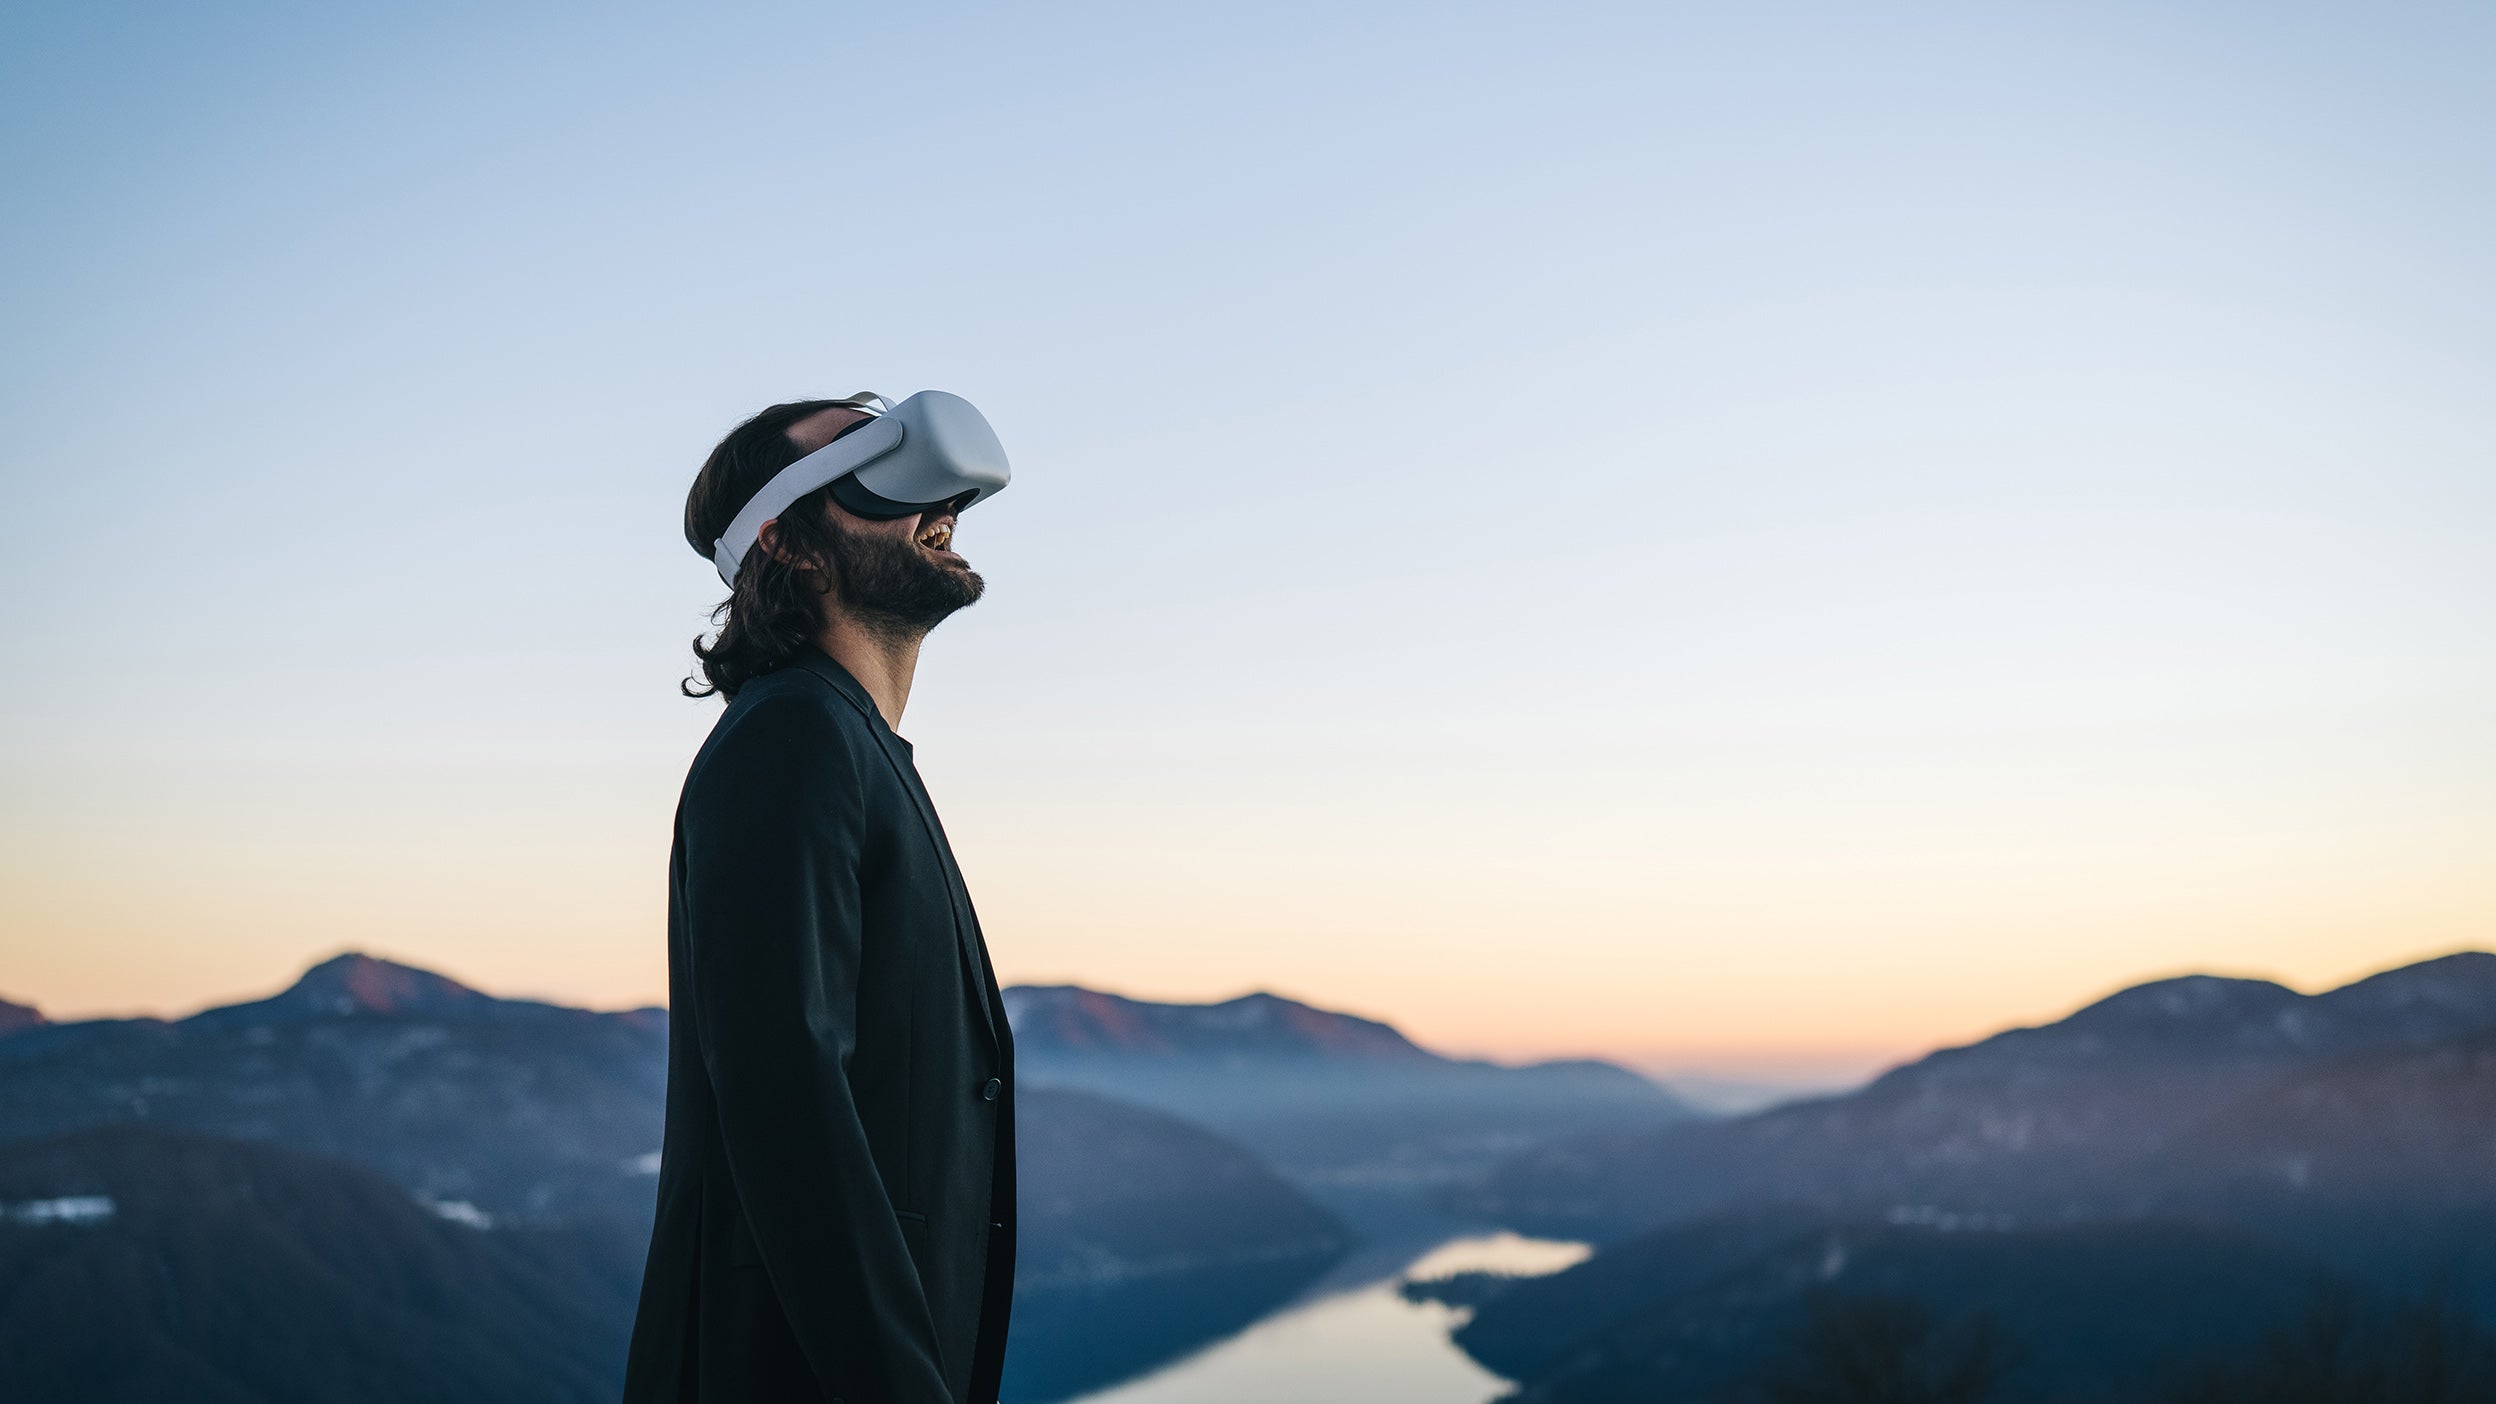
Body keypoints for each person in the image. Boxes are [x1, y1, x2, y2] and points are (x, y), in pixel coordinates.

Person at [622, 393, 1017, 1404]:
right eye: (866, 457)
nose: (941, 498)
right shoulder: (790, 738)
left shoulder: (850, 747)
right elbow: (783, 1095)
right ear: (786, 541)